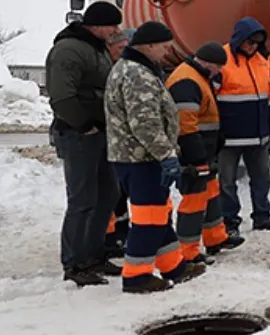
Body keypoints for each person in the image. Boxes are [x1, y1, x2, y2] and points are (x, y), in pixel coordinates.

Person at [104, 21, 208, 293]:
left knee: (159, 213)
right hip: (141, 158)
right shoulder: (137, 75)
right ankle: (137, 276)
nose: (167, 51)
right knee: (149, 218)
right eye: (164, 46)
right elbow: (145, 123)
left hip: (135, 156)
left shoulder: (132, 69)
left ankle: (174, 266)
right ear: (148, 45)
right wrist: (166, 156)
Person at [46, 1, 123, 286]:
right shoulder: (69, 50)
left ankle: (94, 255)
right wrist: (84, 125)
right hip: (79, 135)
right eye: (112, 25)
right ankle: (74, 263)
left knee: (107, 194)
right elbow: (62, 97)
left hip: (100, 133)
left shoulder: (96, 47)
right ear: (97, 24)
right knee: (82, 200)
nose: (115, 31)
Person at [167, 42, 241, 263]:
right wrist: (196, 155)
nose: (219, 73)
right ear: (208, 63)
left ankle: (215, 238)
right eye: (218, 68)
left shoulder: (197, 77)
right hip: (193, 152)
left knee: (210, 193)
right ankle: (187, 251)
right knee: (194, 199)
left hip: (204, 150)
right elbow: (185, 125)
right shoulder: (186, 81)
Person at [217, 17, 270, 235]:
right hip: (229, 135)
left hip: (258, 134)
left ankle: (262, 217)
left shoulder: (264, 59)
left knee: (262, 178)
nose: (253, 46)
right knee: (227, 182)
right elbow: (211, 94)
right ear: (240, 39)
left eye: (257, 42)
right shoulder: (222, 58)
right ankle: (229, 222)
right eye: (250, 42)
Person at [103, 29, 132, 259]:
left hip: (120, 143)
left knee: (120, 193)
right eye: (121, 48)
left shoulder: (124, 70)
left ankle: (120, 233)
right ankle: (109, 238)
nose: (124, 53)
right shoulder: (109, 71)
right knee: (111, 193)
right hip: (109, 140)